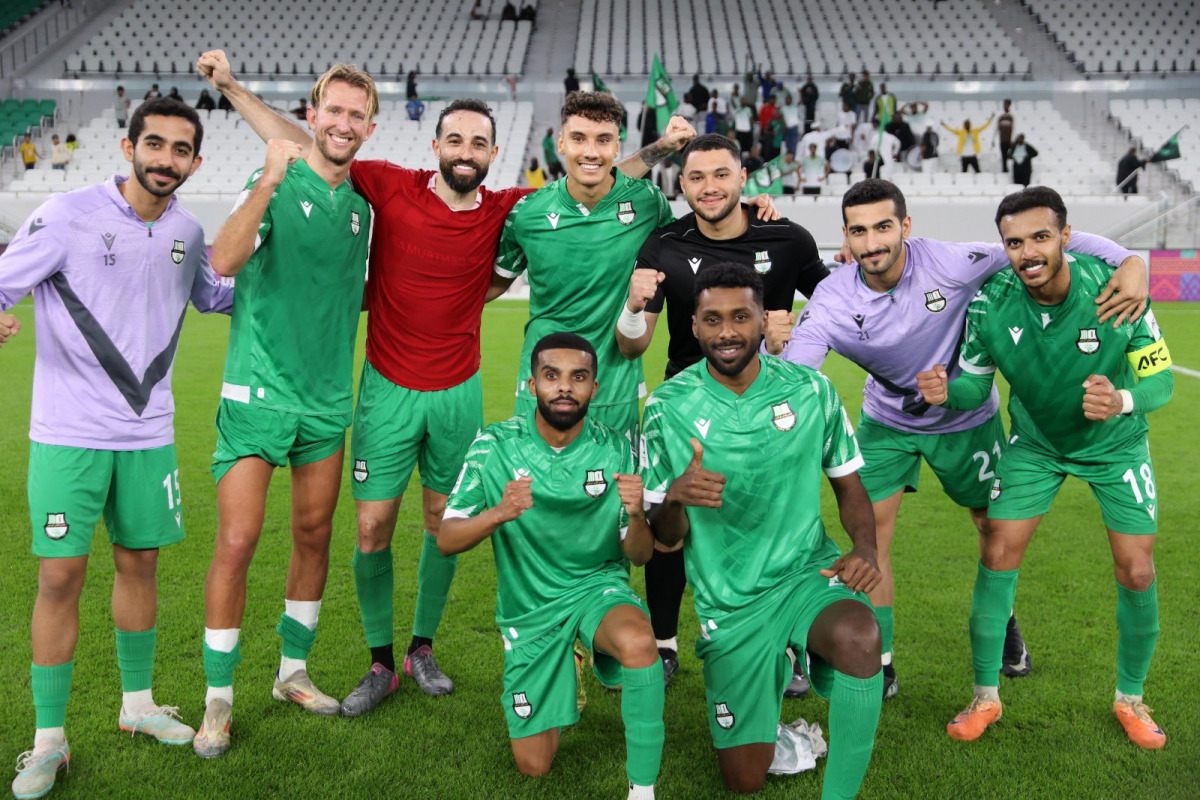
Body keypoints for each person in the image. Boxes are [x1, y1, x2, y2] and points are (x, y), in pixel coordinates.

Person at [198, 50, 682, 714]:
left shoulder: (509, 208)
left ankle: (423, 648)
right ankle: (379, 660)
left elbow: (593, 169)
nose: (466, 150)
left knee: (440, 522)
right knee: (370, 529)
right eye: (455, 138)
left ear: (492, 152)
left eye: (479, 142)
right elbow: (307, 141)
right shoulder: (388, 185)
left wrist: (657, 150)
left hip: (458, 389)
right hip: (385, 388)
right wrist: (230, 86)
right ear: (435, 145)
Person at [774, 179, 1149, 700]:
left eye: (883, 227)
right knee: (873, 539)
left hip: (965, 419)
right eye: (858, 232)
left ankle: (1006, 625)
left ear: (905, 226)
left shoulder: (953, 262)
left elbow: (1040, 242)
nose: (872, 242)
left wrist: (1131, 260)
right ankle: (881, 663)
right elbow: (799, 380)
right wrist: (777, 360)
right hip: (888, 423)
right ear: (845, 237)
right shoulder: (833, 298)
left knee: (992, 527)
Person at [1, 97, 231, 799]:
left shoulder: (189, 230)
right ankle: (48, 742)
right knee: (59, 578)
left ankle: (137, 708)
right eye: (154, 144)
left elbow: (216, 297)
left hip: (149, 437)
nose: (165, 159)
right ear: (129, 147)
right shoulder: (67, 214)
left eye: (180, 150)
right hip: (67, 435)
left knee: (141, 567)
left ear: (194, 162)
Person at [916, 186, 1172, 750]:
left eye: (1039, 237)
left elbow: (1162, 381)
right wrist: (944, 391)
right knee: (997, 548)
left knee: (1137, 570)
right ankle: (986, 696)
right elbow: (973, 386)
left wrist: (1122, 401)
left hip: (1116, 446)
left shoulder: (1115, 290)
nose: (1028, 251)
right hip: (1035, 445)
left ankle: (1131, 698)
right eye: (1014, 242)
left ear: (1064, 235)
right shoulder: (991, 301)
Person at [642, 261, 884, 797]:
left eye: (740, 317)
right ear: (694, 326)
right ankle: (791, 731)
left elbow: (849, 485)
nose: (726, 331)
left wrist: (865, 546)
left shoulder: (810, 390)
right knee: (744, 779)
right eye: (711, 319)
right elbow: (661, 536)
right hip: (730, 605)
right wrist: (678, 495)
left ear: (762, 321)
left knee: (860, 634)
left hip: (804, 574)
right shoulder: (666, 406)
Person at [191, 63, 377, 758]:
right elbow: (225, 261)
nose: (343, 124)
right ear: (314, 112)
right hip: (257, 394)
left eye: (357, 115)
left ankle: (291, 673)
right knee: (237, 542)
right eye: (333, 111)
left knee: (313, 534)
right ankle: (218, 698)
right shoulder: (277, 179)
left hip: (326, 401)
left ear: (370, 126)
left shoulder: (363, 207)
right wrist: (268, 178)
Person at [614, 134, 825, 689]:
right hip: (683, 408)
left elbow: (842, 312)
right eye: (697, 178)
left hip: (768, 407)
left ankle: (782, 640)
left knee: (768, 525)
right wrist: (634, 306)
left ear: (742, 179)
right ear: (681, 185)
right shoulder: (663, 244)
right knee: (669, 522)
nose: (710, 188)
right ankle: (664, 641)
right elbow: (634, 345)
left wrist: (797, 330)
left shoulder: (789, 238)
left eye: (721, 175)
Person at [440, 332, 664, 800]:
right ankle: (566, 663)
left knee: (641, 642)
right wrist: (497, 513)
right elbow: (447, 539)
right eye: (552, 376)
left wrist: (639, 513)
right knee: (534, 765)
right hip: (530, 609)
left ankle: (642, 790)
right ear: (532, 385)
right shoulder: (495, 445)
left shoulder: (618, 449)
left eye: (578, 377)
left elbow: (639, 554)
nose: (565, 387)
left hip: (595, 588)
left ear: (594, 389)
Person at [490, 91, 694, 447]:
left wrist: (745, 208)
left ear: (617, 146)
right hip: (541, 383)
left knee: (618, 497)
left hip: (614, 386)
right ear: (561, 144)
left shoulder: (647, 203)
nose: (590, 152)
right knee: (534, 496)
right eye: (579, 139)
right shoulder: (528, 213)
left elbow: (699, 236)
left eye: (603, 140)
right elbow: (491, 286)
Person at [780, 91, 801, 155]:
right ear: (785, 100)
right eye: (787, 99)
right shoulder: (783, 108)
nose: (788, 100)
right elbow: (782, 118)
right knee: (788, 143)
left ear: (791, 100)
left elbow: (801, 101)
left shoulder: (795, 106)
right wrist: (784, 126)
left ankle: (793, 158)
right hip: (787, 127)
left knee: (794, 143)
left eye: (789, 99)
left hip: (794, 127)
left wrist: (800, 93)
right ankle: (788, 158)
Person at [996, 99, 1014, 172]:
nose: (1005, 106)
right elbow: (996, 128)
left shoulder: (1012, 116)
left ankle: (1013, 170)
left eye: (1006, 104)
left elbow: (1014, 128)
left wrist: (1012, 139)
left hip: (1010, 140)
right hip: (1003, 140)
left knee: (1012, 156)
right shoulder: (1000, 116)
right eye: (1004, 104)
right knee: (1003, 156)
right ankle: (1004, 170)